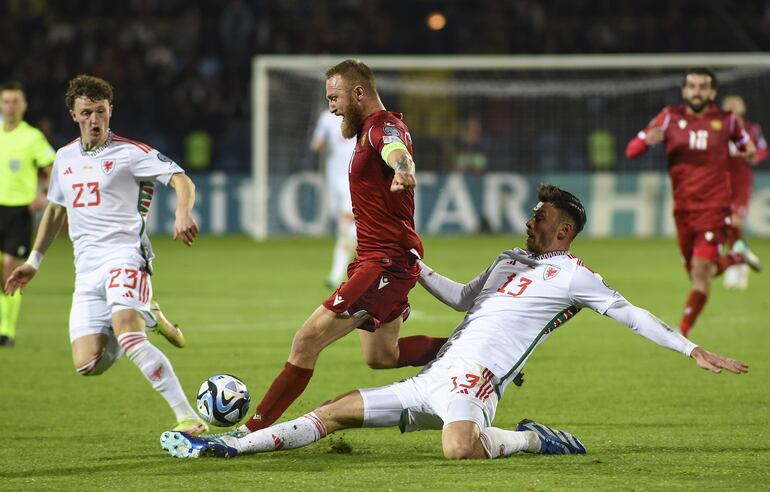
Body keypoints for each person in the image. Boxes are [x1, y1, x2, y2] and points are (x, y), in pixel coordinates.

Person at [160, 183, 748, 460]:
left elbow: (631, 313)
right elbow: (466, 300)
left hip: (479, 381)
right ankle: (230, 449)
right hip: (438, 373)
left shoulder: (573, 274)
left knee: (457, 449)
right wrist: (416, 267)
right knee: (336, 410)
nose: (530, 219)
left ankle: (532, 439)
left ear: (562, 232)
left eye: (539, 217)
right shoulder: (513, 262)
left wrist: (689, 349)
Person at [236, 59, 449, 436]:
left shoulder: (383, 127)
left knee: (306, 340)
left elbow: (396, 150)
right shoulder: (367, 129)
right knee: (383, 356)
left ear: (358, 93)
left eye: (334, 98)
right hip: (378, 259)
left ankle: (252, 430)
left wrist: (404, 168)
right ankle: (472, 352)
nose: (331, 106)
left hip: (383, 264)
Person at [4, 74, 206, 434]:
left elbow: (181, 178)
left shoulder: (130, 153)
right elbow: (54, 210)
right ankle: (150, 316)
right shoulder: (64, 158)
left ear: (110, 111)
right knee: (87, 364)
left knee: (128, 337)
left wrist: (182, 212)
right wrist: (33, 261)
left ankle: (187, 417)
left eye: (101, 111)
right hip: (86, 269)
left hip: (126, 256)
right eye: (87, 112)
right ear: (74, 115)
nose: (95, 119)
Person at [625, 67, 759, 338]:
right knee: (698, 273)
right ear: (685, 91)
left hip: (715, 209)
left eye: (703, 87)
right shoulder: (668, 118)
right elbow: (631, 150)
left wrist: (748, 150)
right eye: (693, 86)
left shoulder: (728, 120)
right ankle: (737, 256)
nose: (697, 91)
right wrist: (647, 142)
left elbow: (749, 147)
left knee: (700, 273)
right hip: (683, 211)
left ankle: (681, 332)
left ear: (712, 92)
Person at [0, 82, 55, 347]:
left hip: (18, 211)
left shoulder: (32, 137)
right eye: (6, 101)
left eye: (15, 101)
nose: (10, 106)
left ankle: (6, 331)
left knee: (10, 268)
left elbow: (52, 167)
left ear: (24, 106)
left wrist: (43, 194)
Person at [720, 95, 768, 289]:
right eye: (728, 103)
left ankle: (735, 264)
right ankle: (741, 259)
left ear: (743, 107)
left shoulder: (751, 129)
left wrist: (755, 156)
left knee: (734, 222)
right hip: (720, 185)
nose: (732, 105)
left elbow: (763, 149)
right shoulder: (718, 129)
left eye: (736, 103)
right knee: (727, 226)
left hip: (742, 184)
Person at [310, 109, 357, 288]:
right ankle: (348, 272)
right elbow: (317, 143)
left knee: (346, 224)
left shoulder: (330, 117)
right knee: (347, 227)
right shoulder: (330, 117)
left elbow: (316, 144)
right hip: (335, 179)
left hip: (351, 179)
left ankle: (336, 274)